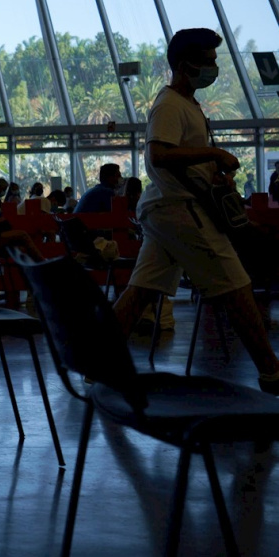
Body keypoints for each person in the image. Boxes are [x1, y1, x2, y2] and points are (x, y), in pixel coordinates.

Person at [112, 28, 279, 395]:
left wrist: (212, 170)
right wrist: (214, 154)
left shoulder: (188, 105)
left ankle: (99, 363)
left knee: (141, 291)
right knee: (236, 285)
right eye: (207, 61)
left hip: (165, 210)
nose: (212, 69)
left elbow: (178, 157)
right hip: (180, 210)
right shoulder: (171, 104)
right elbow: (159, 154)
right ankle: (271, 370)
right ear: (184, 64)